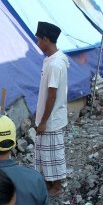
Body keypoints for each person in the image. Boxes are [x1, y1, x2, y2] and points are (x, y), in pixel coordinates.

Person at [34, 21, 69, 196]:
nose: (37, 43)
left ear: (46, 39)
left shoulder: (55, 64)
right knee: (45, 155)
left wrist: (43, 121)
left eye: (38, 39)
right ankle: (50, 184)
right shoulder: (50, 60)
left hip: (51, 120)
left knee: (52, 156)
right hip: (48, 117)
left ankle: (56, 186)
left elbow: (52, 95)